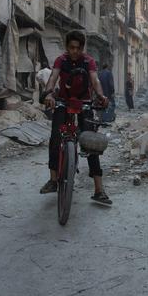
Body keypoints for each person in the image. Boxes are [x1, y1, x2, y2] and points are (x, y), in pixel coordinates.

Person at [40, 30, 112, 205]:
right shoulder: (61, 60)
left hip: (84, 103)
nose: (74, 51)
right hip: (63, 102)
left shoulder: (89, 61)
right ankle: (53, 179)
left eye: (78, 48)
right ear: (67, 47)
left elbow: (95, 81)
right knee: (56, 137)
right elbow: (52, 78)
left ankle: (99, 189)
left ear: (82, 48)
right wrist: (49, 94)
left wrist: (101, 96)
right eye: (71, 48)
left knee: (90, 144)